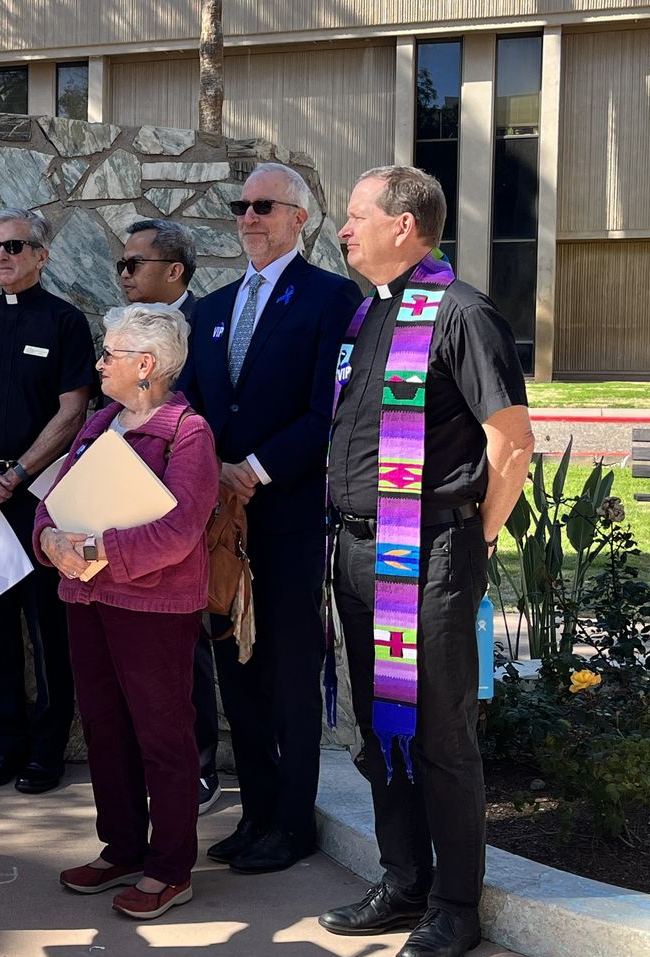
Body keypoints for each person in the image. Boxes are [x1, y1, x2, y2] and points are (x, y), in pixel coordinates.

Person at [318, 165, 534, 957]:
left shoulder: (462, 313)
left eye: (356, 216)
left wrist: (477, 536)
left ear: (403, 225)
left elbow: (511, 442)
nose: (344, 230)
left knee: (441, 736)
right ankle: (405, 881)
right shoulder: (370, 313)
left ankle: (454, 907)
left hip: (430, 554)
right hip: (357, 551)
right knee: (383, 730)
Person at [178, 164, 363, 875]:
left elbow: (330, 410)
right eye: (241, 206)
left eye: (264, 206)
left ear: (299, 219)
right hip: (222, 524)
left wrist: (253, 469)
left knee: (288, 671)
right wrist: (213, 471)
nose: (249, 217)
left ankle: (292, 823)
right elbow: (191, 407)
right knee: (236, 668)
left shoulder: (330, 298)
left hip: (286, 515)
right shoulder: (211, 308)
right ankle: (255, 812)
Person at [33, 304, 219, 921]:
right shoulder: (98, 423)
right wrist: (48, 538)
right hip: (86, 600)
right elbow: (54, 499)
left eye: (109, 354)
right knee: (104, 727)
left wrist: (95, 550)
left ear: (146, 365)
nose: (99, 364)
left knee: (162, 735)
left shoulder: (188, 432)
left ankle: (170, 868)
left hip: (153, 608)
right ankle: (122, 848)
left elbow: (181, 530)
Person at [0, 207, 95, 795]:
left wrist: (18, 473)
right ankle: (8, 742)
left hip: (40, 496)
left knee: (47, 624)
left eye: (13, 247)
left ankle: (47, 749)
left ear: (41, 256)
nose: (1, 256)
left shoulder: (64, 322)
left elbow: (73, 410)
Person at [117, 218, 224, 816]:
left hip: (188, 506)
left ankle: (199, 769)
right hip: (125, 509)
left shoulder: (210, 325)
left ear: (175, 270)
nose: (124, 274)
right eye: (122, 265)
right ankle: (145, 766)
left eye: (135, 264)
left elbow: (216, 411)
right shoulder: (125, 328)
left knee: (190, 646)